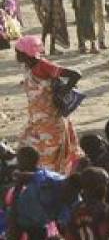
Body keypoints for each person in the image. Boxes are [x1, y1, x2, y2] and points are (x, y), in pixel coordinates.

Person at [13, 36, 82, 175]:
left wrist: (64, 91)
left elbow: (75, 74)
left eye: (18, 52)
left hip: (50, 122)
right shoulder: (29, 66)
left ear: (27, 53)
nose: (16, 56)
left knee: (48, 160)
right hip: (36, 120)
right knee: (24, 148)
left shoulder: (43, 65)